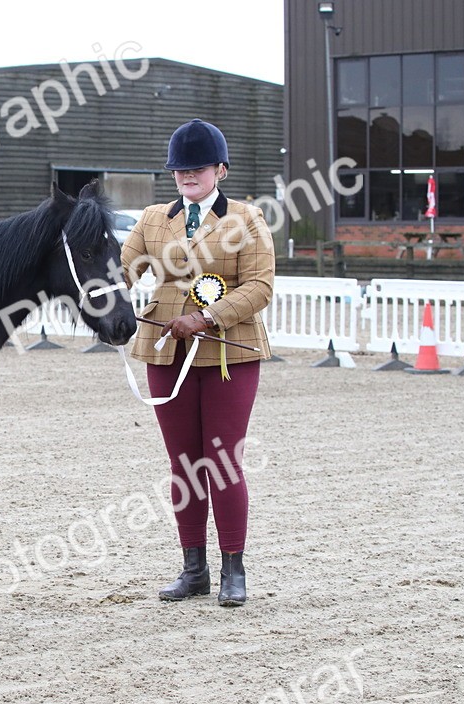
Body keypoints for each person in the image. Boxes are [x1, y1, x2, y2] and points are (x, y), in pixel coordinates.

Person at [120, 118, 275, 607]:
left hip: (228, 352)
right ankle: (194, 569)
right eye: (180, 169)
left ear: (220, 170)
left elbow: (260, 287)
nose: (188, 176)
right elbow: (122, 268)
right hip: (165, 350)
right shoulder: (152, 219)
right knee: (184, 465)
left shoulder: (247, 220)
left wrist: (206, 317)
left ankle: (234, 567)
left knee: (223, 460)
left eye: (198, 168)